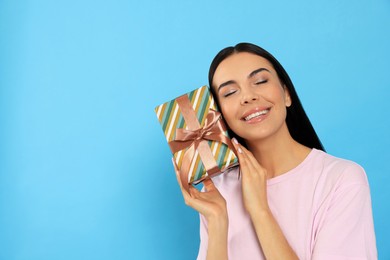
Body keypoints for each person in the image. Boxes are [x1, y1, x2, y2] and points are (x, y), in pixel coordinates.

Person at [172, 42, 377, 259]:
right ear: (220, 116)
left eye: (260, 81)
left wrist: (260, 211)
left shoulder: (342, 180)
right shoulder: (218, 191)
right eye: (230, 92)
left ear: (286, 94)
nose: (248, 96)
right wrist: (217, 222)